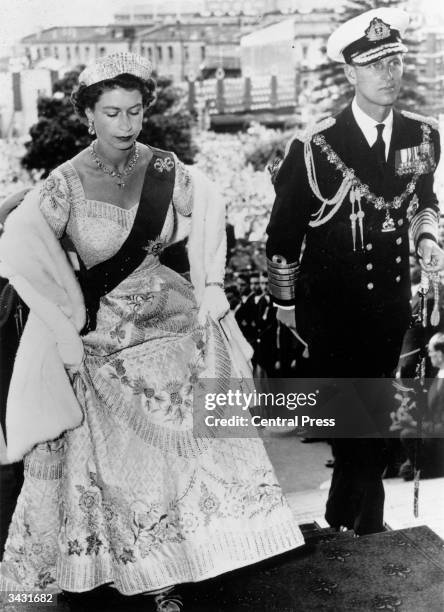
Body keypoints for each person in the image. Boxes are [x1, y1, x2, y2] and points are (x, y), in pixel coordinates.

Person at [0, 53, 303, 610]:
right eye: (111, 113)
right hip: (104, 327)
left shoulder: (166, 168)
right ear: (88, 116)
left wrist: (211, 282)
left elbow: (210, 207)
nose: (125, 125)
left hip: (172, 309)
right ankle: (151, 569)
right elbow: (18, 242)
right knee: (125, 459)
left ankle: (204, 546)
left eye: (135, 112)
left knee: (204, 404)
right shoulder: (64, 184)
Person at [266, 8, 444, 535]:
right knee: (358, 422)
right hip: (330, 309)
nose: (389, 74)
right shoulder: (315, 145)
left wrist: (429, 238)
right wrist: (286, 305)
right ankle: (368, 527)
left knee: (364, 420)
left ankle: (342, 520)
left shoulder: (422, 135)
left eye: (395, 62)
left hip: (389, 307)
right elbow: (282, 234)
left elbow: (424, 203)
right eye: (374, 64)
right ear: (350, 74)